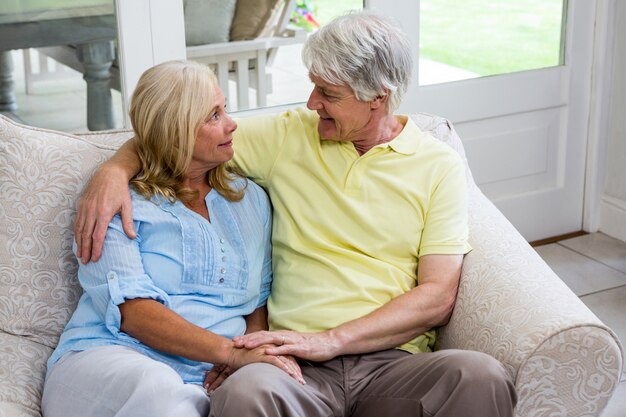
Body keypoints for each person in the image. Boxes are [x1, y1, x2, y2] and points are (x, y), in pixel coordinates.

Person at [74, 11, 517, 417]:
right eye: (312, 86)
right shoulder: (289, 137)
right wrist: (115, 169)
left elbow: (437, 296)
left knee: (481, 377)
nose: (311, 103)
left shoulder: (437, 165)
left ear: (377, 99)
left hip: (391, 362)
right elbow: (180, 134)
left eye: (328, 93)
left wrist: (332, 340)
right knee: (244, 395)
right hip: (293, 364)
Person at [41, 60, 304, 417]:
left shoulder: (250, 198)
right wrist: (229, 352)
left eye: (224, 108)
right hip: (110, 358)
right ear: (175, 130)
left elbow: (257, 302)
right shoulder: (119, 201)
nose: (231, 123)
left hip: (205, 375)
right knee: (162, 393)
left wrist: (246, 355)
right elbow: (133, 312)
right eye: (213, 116)